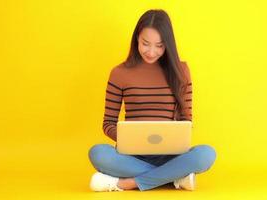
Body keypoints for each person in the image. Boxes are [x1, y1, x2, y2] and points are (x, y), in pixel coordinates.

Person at [88, 9, 216, 192]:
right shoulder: (119, 73)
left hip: (170, 156)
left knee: (206, 154)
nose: (151, 51)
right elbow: (108, 123)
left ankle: (126, 183)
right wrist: (129, 139)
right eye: (145, 43)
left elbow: (186, 120)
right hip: (130, 155)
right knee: (98, 153)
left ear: (168, 45)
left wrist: (175, 137)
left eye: (159, 45)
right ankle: (174, 178)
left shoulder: (181, 71)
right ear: (136, 39)